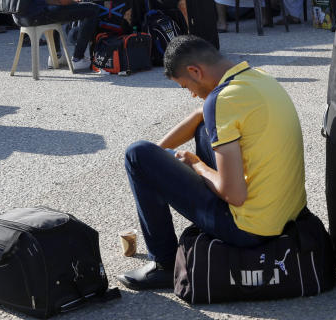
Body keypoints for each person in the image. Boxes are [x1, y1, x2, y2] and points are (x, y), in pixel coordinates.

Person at [118, 35, 307, 290]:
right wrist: (158, 158)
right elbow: (201, 114)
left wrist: (195, 164)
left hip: (249, 229)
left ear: (195, 71)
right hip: (286, 213)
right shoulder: (256, 78)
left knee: (136, 153)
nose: (193, 95)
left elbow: (235, 195)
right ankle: (156, 163)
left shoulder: (222, 102)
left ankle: (163, 264)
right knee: (200, 128)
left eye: (187, 87)